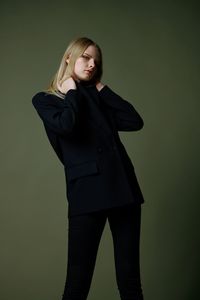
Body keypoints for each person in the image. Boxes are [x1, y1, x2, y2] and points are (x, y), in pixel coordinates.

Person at [32, 37, 145, 300]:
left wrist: (102, 88)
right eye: (86, 57)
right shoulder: (46, 100)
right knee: (77, 283)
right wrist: (71, 91)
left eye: (96, 60)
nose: (92, 64)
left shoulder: (97, 96)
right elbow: (67, 126)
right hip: (87, 193)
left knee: (130, 280)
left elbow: (134, 120)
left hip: (123, 191)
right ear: (69, 58)